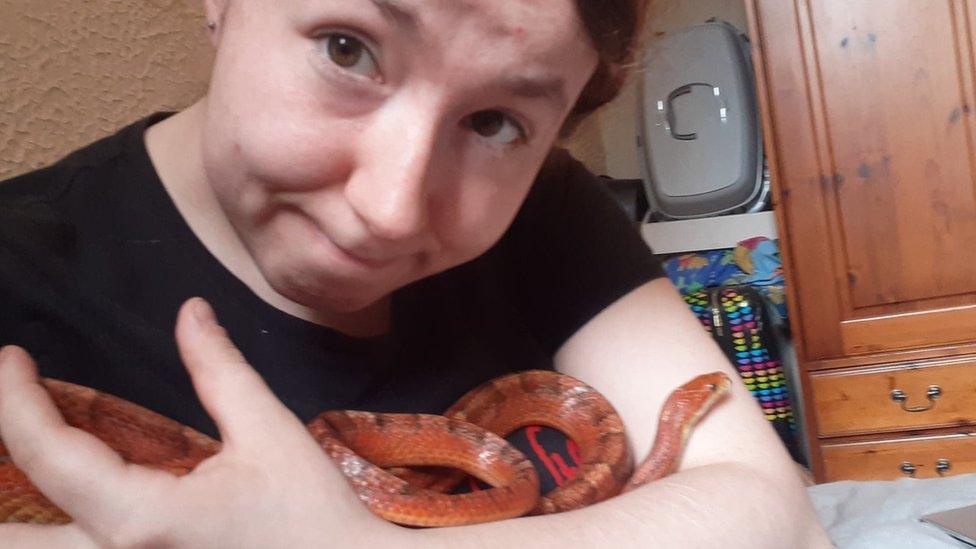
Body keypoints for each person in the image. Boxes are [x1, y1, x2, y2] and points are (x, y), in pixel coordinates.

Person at [0, 0, 831, 547]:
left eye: (497, 121)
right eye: (347, 49)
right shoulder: (21, 270)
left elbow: (777, 514)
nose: (392, 208)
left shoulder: (549, 214)